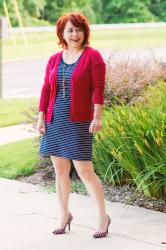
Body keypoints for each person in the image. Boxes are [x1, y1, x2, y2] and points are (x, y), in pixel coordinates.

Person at [36, 12, 111, 239]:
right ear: (62, 33)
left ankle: (103, 218)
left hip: (78, 121)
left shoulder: (93, 56)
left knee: (85, 171)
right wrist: (41, 116)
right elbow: (46, 89)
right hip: (54, 120)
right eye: (70, 30)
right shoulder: (54, 59)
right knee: (60, 170)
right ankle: (64, 215)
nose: (74, 34)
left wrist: (97, 117)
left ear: (84, 32)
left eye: (78, 29)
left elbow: (99, 89)